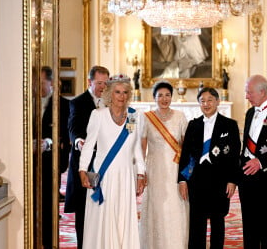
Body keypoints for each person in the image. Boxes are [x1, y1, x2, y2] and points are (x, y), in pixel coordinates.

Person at [78, 74, 145, 249]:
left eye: (124, 92)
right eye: (117, 92)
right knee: (103, 217)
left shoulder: (132, 117)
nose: (121, 96)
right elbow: (88, 146)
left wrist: (141, 173)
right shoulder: (98, 115)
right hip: (103, 176)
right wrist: (82, 170)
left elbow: (136, 148)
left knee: (123, 216)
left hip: (125, 176)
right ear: (109, 93)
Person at [178, 87, 241, 249]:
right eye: (202, 101)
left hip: (219, 181)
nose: (206, 104)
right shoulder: (193, 125)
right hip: (196, 181)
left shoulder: (230, 125)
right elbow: (185, 154)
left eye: (210, 100)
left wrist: (232, 180)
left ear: (217, 102)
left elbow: (234, 155)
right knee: (196, 222)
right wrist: (182, 180)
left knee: (217, 221)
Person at [139, 80, 189, 249]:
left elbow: (186, 146)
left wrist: (186, 174)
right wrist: (141, 171)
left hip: (175, 170)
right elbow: (142, 148)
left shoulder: (180, 116)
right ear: (154, 98)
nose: (164, 99)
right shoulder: (146, 118)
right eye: (160, 95)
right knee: (157, 208)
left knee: (174, 206)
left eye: (167, 95)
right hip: (155, 170)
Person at [64, 65, 110, 249]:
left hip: (106, 163)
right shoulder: (77, 102)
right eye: (99, 83)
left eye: (106, 83)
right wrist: (78, 141)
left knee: (103, 208)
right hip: (86, 164)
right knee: (84, 209)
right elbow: (73, 128)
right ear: (89, 82)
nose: (103, 87)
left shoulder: (111, 102)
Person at [40, 66, 71, 249]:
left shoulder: (64, 105)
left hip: (50, 164)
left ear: (51, 83)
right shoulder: (26, 102)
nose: (37, 86)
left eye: (42, 82)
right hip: (28, 165)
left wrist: (48, 143)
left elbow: (65, 137)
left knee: (49, 209)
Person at [239, 74, 267, 249]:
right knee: (249, 227)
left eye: (249, 92)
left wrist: (261, 161)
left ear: (262, 92)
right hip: (247, 179)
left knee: (266, 226)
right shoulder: (250, 112)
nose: (246, 96)